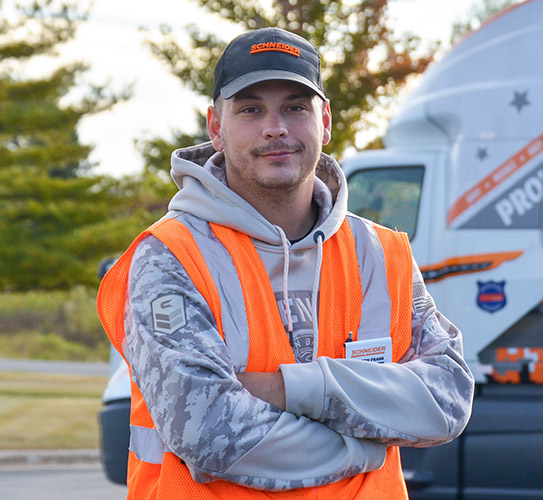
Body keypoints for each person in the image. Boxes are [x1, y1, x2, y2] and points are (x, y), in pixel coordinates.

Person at [97, 27, 474, 499]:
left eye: (295, 107)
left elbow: (448, 400)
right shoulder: (172, 255)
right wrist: (365, 449)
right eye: (251, 109)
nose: (275, 127)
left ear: (326, 121)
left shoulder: (380, 253)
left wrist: (287, 389)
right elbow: (209, 431)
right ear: (216, 127)